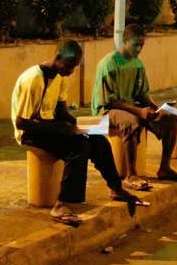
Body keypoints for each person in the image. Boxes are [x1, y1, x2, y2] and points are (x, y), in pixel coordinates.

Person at [11, 40, 140, 226]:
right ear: (58, 58)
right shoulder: (33, 79)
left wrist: (77, 124)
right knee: (78, 147)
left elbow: (60, 110)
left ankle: (116, 187)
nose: (71, 71)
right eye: (69, 66)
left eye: (74, 67)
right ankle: (62, 204)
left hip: (49, 125)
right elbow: (22, 122)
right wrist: (60, 129)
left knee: (98, 140)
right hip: (29, 131)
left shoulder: (61, 77)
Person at [92, 24, 177, 189]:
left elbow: (142, 94)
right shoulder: (108, 63)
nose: (139, 49)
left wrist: (157, 109)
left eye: (141, 45)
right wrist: (139, 111)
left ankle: (164, 168)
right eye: (135, 44)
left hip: (132, 106)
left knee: (172, 117)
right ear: (125, 42)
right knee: (132, 121)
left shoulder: (138, 64)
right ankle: (131, 175)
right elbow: (110, 101)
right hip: (108, 110)